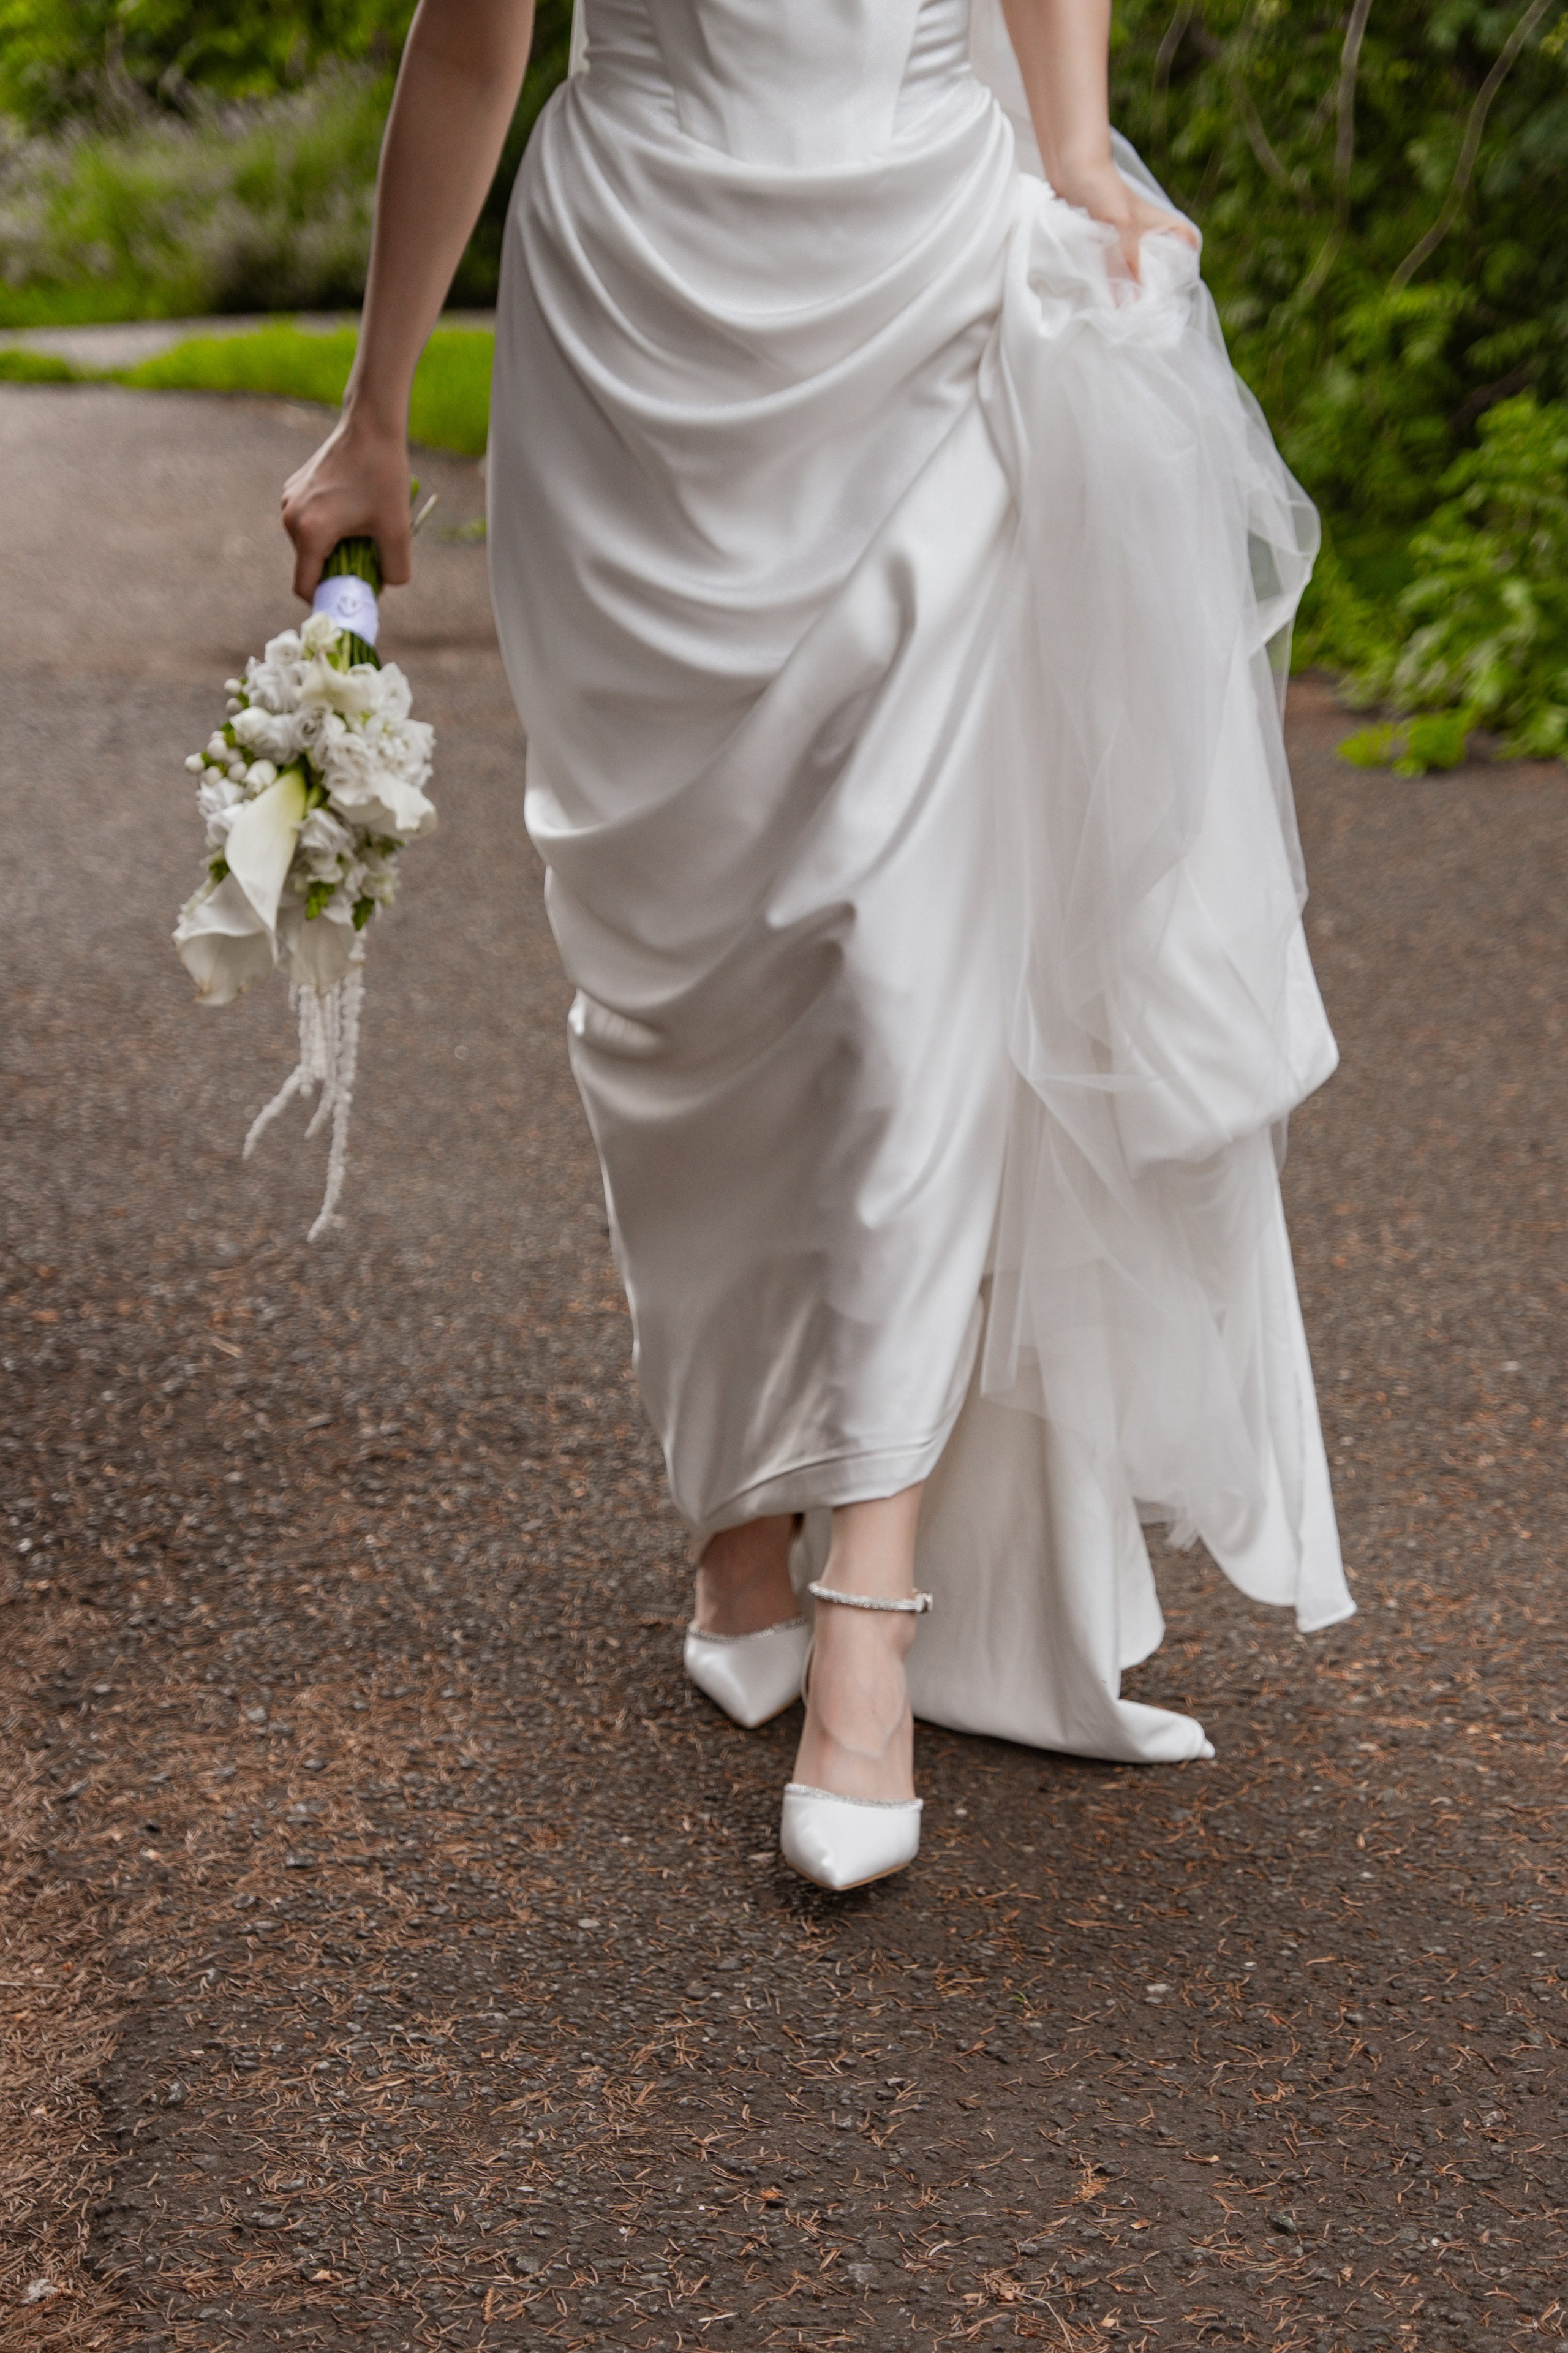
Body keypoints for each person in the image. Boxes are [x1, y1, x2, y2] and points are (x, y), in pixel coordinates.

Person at [283, 0, 1352, 1894]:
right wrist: (375, 418)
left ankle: (873, 1609)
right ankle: (735, 1505)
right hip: (636, 330)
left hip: (925, 291)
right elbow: (469, 42)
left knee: (898, 945)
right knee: (682, 993)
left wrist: (1077, 141)